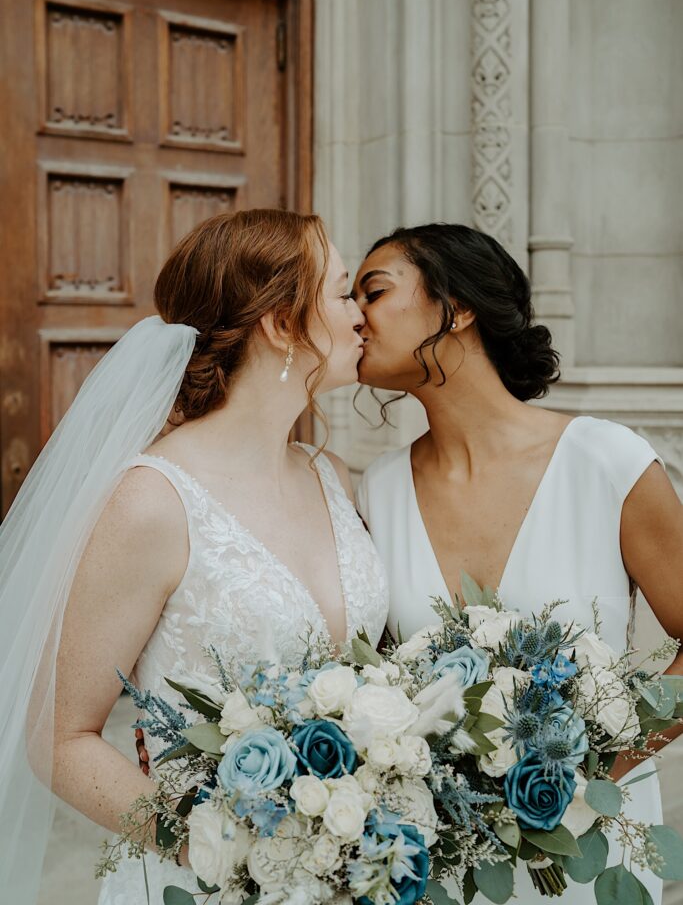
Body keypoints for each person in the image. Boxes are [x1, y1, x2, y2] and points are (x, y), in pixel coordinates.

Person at [0, 208, 388, 903]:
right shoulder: (152, 502)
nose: (361, 315)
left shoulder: (326, 475)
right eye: (340, 292)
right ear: (280, 323)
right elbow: (57, 738)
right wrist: (224, 854)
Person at [353, 223, 683, 905]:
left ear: (459, 305)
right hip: (443, 863)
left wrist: (595, 770)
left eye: (373, 291)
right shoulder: (375, 492)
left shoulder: (606, 462)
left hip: (587, 848)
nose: (353, 315)